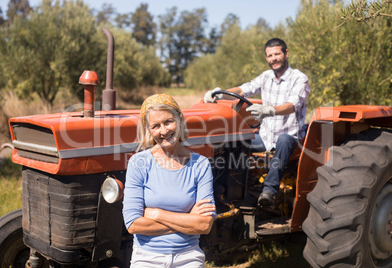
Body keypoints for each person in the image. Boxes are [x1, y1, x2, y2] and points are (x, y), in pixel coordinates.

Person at [204, 38, 310, 208]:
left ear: (286, 53)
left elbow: (292, 105)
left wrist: (270, 110)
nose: (273, 58)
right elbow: (243, 90)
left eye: (277, 54)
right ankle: (222, 189)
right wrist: (219, 94)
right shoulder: (266, 77)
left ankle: (268, 192)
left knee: (283, 140)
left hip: (291, 138)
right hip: (265, 137)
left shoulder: (299, 78)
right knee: (234, 142)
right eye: (270, 56)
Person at [123, 94, 216, 267]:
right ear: (149, 130)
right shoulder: (139, 163)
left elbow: (204, 225)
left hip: (188, 256)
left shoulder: (200, 164)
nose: (164, 131)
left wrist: (157, 214)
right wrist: (188, 219)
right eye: (155, 126)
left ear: (180, 119)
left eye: (168, 122)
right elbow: (133, 224)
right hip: (147, 257)